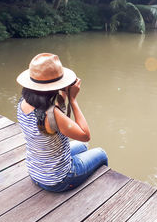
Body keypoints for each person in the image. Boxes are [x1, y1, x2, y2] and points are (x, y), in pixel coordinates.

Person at [16, 53, 108, 192]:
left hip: (36, 173)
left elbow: (53, 121)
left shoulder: (22, 103)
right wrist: (73, 100)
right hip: (59, 180)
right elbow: (85, 135)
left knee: (83, 147)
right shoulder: (52, 114)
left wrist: (63, 93)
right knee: (101, 153)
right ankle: (103, 189)